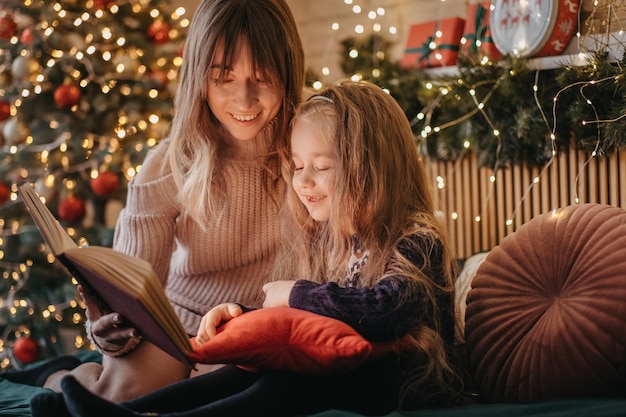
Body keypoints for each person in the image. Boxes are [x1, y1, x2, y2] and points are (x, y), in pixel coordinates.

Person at [36, 81, 464, 417]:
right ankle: (128, 411)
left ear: (375, 167)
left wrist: (294, 293)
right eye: (298, 167)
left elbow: (386, 310)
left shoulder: (417, 238)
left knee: (282, 386)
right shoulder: (338, 240)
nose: (303, 182)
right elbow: (314, 322)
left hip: (402, 385)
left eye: (323, 167)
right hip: (348, 369)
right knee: (246, 370)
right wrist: (244, 315)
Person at [2, 0, 304, 405]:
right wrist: (109, 326)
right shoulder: (169, 162)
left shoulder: (309, 149)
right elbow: (132, 286)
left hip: (254, 326)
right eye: (224, 78)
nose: (245, 99)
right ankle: (59, 378)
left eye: (263, 77)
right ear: (199, 77)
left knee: (218, 393)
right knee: (121, 395)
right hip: (174, 324)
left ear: (289, 72)